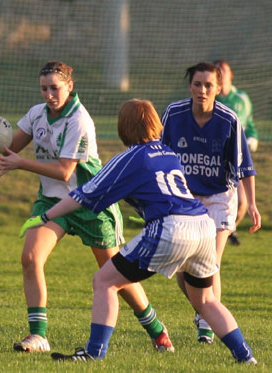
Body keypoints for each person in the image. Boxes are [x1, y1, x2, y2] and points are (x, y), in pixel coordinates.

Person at [19, 99, 257, 364]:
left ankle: (94, 353)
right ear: (156, 124)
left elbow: (82, 195)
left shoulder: (129, 158)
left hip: (171, 227)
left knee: (104, 281)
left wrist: (45, 215)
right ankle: (246, 358)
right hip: (203, 226)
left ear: (124, 128)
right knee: (206, 300)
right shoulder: (168, 153)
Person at [0, 61, 173, 353]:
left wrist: (21, 164)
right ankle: (38, 336)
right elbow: (10, 145)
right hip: (52, 202)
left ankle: (157, 329)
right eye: (44, 88)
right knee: (31, 256)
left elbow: (64, 170)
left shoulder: (79, 120)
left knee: (116, 276)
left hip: (90, 201)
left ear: (70, 87)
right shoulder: (37, 114)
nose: (49, 94)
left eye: (55, 88)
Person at [161, 62, 261, 344]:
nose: (202, 90)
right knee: (184, 270)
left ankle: (207, 325)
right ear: (189, 86)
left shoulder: (229, 120)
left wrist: (251, 204)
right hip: (185, 199)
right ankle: (203, 309)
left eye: (208, 85)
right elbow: (158, 153)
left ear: (219, 89)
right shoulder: (174, 113)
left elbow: (245, 167)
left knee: (209, 264)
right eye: (197, 84)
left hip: (219, 198)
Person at [214, 59, 259, 246]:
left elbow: (249, 124)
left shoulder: (241, 98)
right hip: (216, 160)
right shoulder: (210, 98)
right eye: (217, 71)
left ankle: (229, 230)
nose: (220, 73)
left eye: (223, 70)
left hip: (237, 159)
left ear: (230, 74)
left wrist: (252, 138)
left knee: (242, 203)